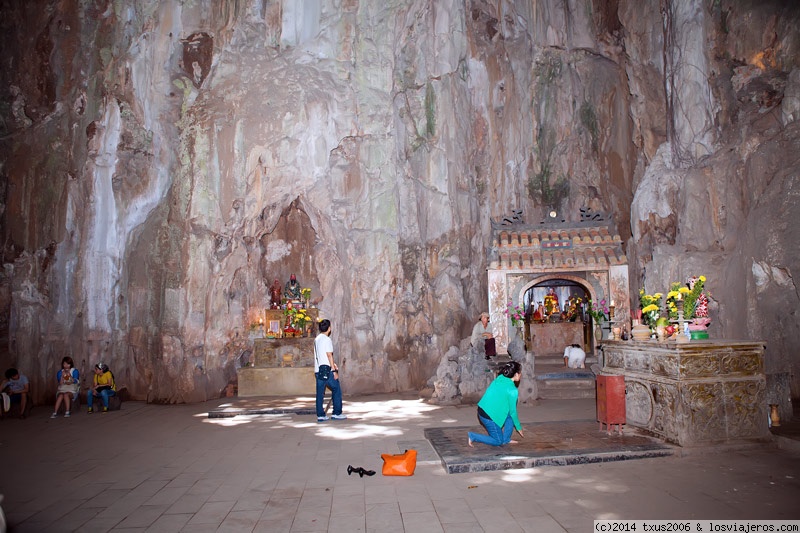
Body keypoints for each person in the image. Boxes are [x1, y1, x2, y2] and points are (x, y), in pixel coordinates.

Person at [468, 361, 524, 447]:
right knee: (498, 441)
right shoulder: (513, 390)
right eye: (520, 372)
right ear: (516, 374)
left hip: (481, 410)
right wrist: (519, 427)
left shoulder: (500, 377)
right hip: (488, 417)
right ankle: (473, 436)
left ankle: (506, 439)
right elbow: (513, 412)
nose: (521, 374)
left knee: (509, 416)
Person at [314, 319, 346, 422]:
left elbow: (320, 355)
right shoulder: (327, 339)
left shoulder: (317, 339)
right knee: (336, 388)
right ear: (329, 328)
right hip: (327, 370)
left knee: (320, 393)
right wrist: (334, 370)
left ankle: (320, 415)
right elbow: (329, 355)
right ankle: (337, 413)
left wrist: (333, 364)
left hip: (318, 370)